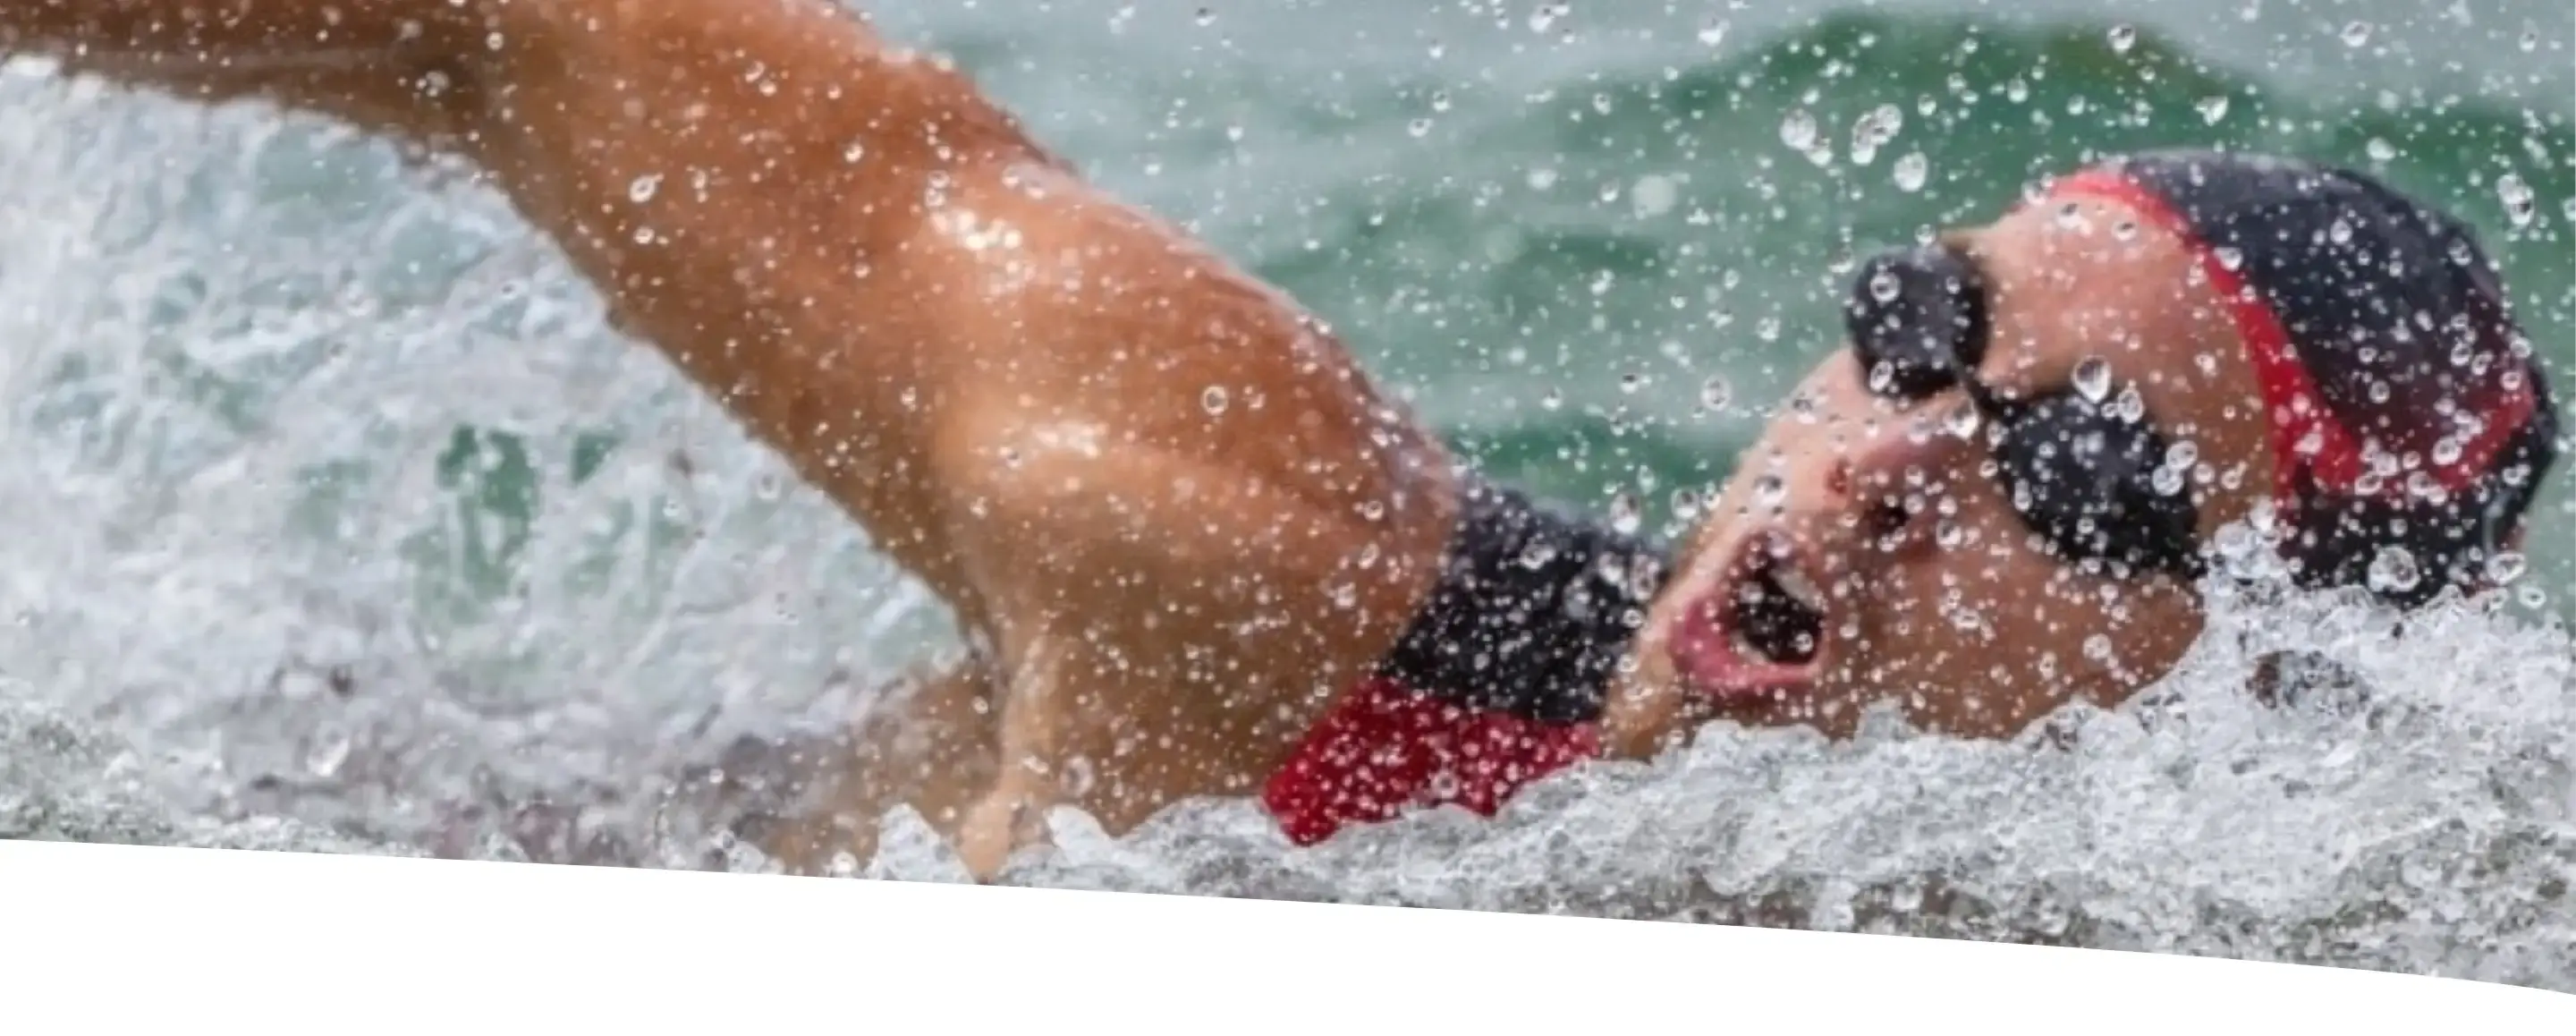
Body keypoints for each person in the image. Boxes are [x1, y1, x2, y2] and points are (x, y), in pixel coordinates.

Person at [3, 1, 2554, 879]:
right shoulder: (1254, 564)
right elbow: (520, 30)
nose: (1888, 458)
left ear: (2279, 685)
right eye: (1916, 325)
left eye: (2081, 478)